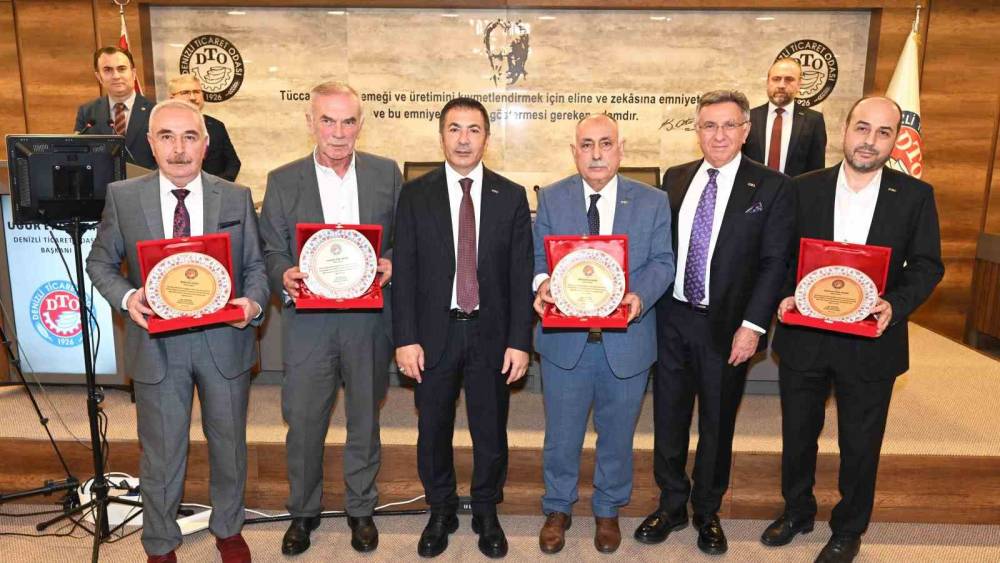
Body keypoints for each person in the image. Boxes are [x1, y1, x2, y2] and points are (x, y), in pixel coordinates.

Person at [86, 99, 268, 563]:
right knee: (162, 452)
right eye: (167, 137)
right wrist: (128, 298)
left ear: (205, 144)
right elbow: (100, 262)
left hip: (224, 341)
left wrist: (251, 304)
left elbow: (255, 267)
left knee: (229, 445)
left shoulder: (236, 197)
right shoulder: (124, 196)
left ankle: (228, 528)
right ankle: (160, 543)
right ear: (151, 143)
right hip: (157, 345)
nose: (179, 149)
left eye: (189, 137)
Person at [762, 96, 943, 563]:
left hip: (871, 342)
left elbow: (928, 265)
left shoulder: (916, 196)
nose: (870, 141)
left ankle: (848, 529)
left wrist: (894, 304)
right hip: (806, 337)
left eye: (883, 132)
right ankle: (797, 511)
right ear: (846, 129)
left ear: (895, 140)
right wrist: (785, 293)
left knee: (860, 443)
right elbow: (779, 254)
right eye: (863, 128)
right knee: (798, 434)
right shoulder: (801, 188)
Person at [635, 90, 794, 555]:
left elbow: (775, 263)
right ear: (697, 130)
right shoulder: (675, 178)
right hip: (672, 318)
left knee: (717, 422)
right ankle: (671, 504)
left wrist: (754, 326)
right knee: (668, 417)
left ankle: (707, 510)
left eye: (728, 125)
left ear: (746, 130)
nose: (718, 135)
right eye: (709, 125)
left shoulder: (772, 186)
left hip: (728, 327)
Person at [258, 81, 401, 556]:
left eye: (348, 121)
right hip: (308, 322)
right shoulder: (283, 179)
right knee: (303, 422)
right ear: (310, 122)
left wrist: (393, 261)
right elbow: (272, 248)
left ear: (360, 124)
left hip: (367, 320)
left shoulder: (386, 174)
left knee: (364, 419)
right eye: (327, 120)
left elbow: (404, 238)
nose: (338, 132)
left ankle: (361, 509)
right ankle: (303, 512)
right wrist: (283, 273)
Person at [392, 97, 533, 559]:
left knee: (490, 429)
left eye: (474, 129)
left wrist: (520, 342)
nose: (464, 139)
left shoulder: (511, 196)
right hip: (434, 335)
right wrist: (405, 338)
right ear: (441, 136)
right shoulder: (415, 194)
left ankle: (487, 509)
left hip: (491, 334)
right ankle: (441, 508)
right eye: (454, 129)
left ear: (487, 138)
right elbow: (405, 272)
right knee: (433, 428)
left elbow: (520, 275)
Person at [532, 114, 673, 554]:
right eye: (587, 145)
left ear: (621, 149)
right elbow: (537, 256)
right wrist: (542, 283)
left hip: (627, 340)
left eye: (606, 143)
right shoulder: (551, 197)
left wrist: (639, 297)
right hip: (565, 343)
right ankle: (558, 507)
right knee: (561, 434)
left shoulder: (653, 201)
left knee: (617, 433)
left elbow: (663, 262)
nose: (596, 154)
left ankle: (608, 508)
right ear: (574, 152)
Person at [742, 58, 827, 177]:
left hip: (794, 188)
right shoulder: (748, 117)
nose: (781, 85)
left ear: (799, 84)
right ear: (768, 82)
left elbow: (817, 171)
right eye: (776, 79)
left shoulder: (814, 121)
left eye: (789, 79)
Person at [75, 46, 156, 169]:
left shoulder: (155, 111)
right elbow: (80, 155)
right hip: (103, 180)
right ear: (99, 77)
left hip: (145, 180)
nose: (116, 76)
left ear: (133, 73)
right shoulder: (87, 112)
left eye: (121, 69)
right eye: (108, 70)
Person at [168, 74, 242, 181]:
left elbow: (233, 163)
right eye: (185, 92)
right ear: (172, 98)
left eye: (197, 92)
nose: (193, 97)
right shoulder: (163, 129)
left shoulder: (217, 126)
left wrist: (215, 185)